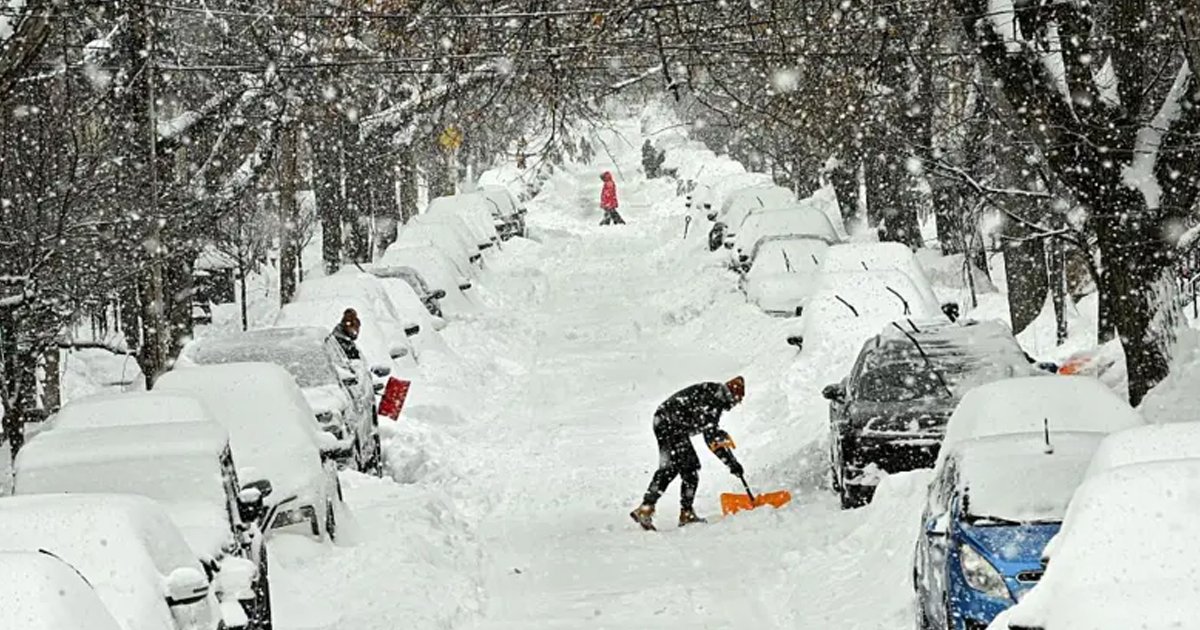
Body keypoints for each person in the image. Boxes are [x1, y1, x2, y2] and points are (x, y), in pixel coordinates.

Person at [630, 376, 746, 531]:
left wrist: (727, 454)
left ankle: (647, 508)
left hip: (666, 421)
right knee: (689, 468)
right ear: (732, 395)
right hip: (670, 424)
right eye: (738, 400)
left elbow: (710, 432)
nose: (736, 404)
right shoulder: (713, 401)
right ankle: (684, 513)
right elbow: (711, 437)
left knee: (672, 467)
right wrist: (732, 464)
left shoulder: (714, 395)